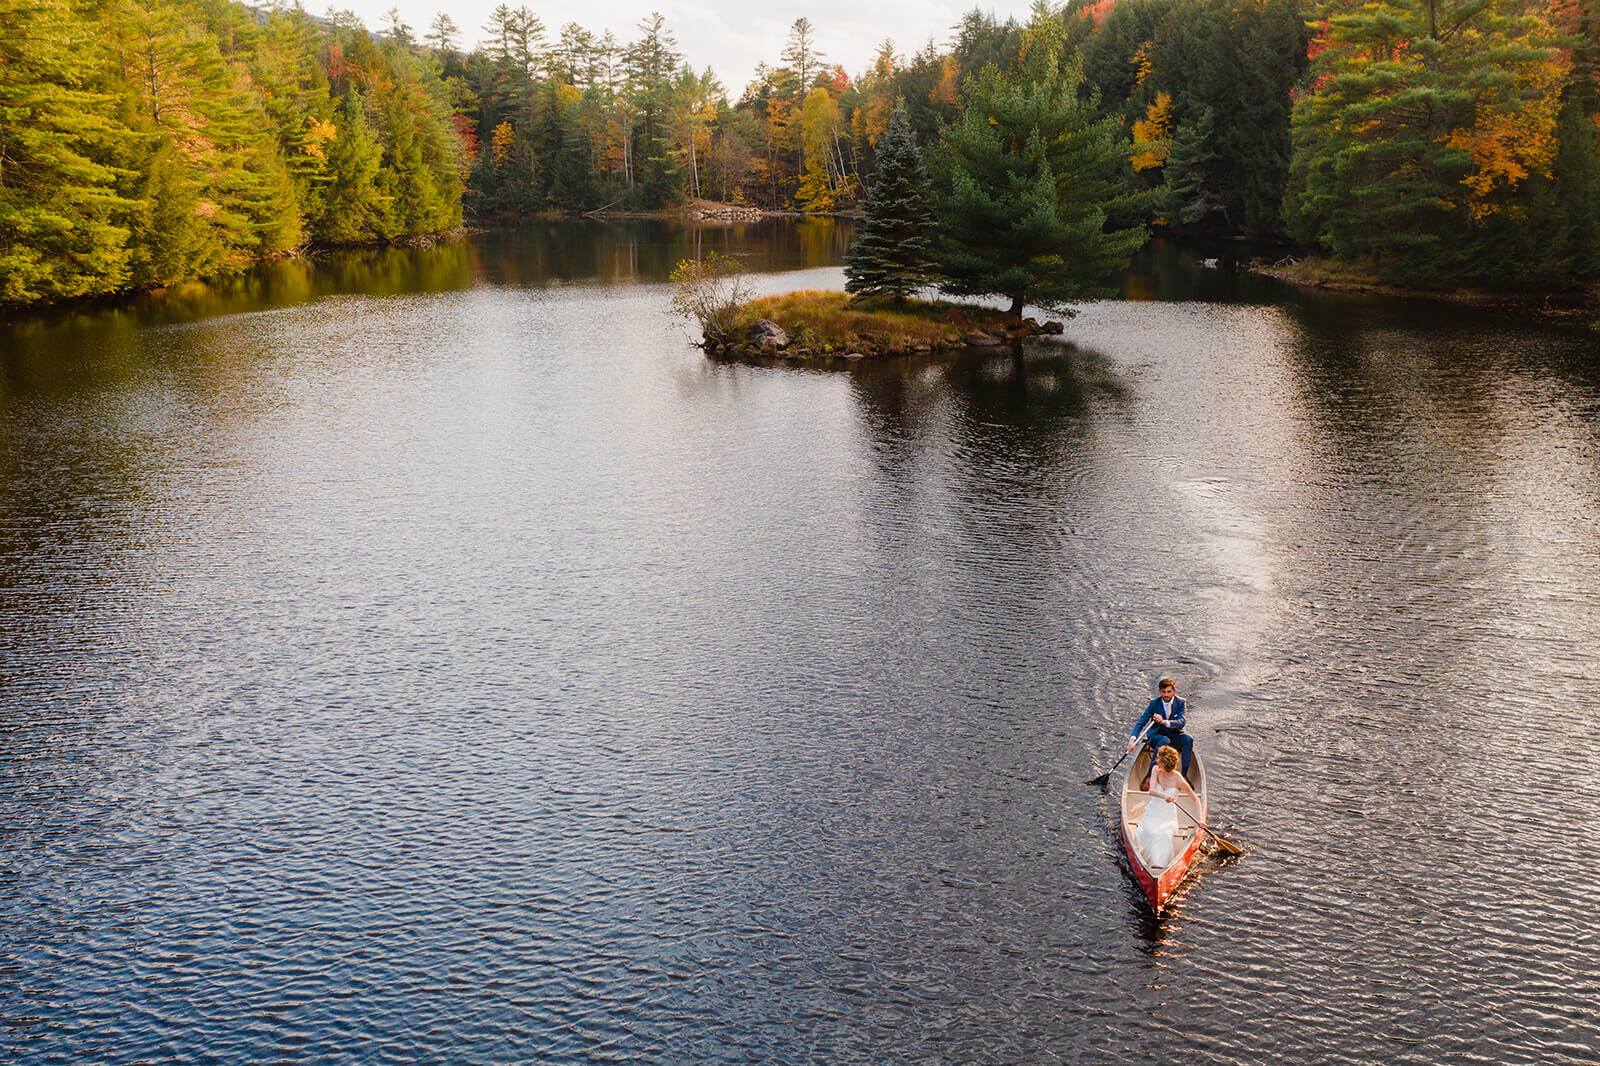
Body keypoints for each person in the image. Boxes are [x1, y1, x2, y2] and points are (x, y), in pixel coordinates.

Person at [1132, 745, 1205, 869]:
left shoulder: (1179, 779)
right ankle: (1146, 863)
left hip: (1167, 817)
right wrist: (1164, 796)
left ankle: (1158, 866)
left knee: (1164, 834)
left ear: (1165, 762)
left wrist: (1200, 819)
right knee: (1146, 831)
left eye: (1159, 759)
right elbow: (1151, 791)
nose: (1156, 760)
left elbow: (1195, 799)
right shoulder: (1156, 770)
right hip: (1152, 813)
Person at [1126, 677, 1193, 785]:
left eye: (1169, 692)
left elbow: (1181, 722)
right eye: (1163, 692)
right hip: (1156, 737)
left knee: (1188, 740)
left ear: (1174, 691)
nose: (1166, 695)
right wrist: (1132, 739)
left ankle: (1184, 776)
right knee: (1164, 740)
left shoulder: (1181, 703)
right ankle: (1149, 776)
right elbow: (1141, 722)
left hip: (1174, 735)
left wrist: (1163, 722)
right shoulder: (1154, 703)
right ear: (1159, 691)